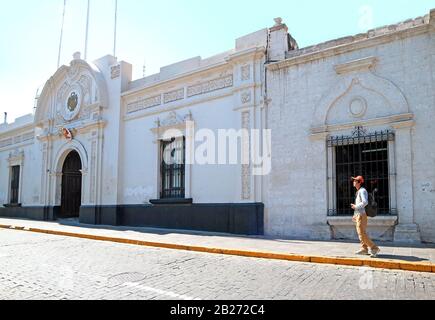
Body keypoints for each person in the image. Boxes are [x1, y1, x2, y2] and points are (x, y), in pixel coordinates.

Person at [351, 176, 380, 258]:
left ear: (359, 182)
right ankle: (364, 249)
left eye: (355, 180)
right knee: (360, 233)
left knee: (362, 234)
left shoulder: (362, 191)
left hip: (361, 215)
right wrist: (354, 214)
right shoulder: (358, 191)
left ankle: (374, 248)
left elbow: (365, 202)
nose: (353, 182)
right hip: (358, 215)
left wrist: (355, 207)